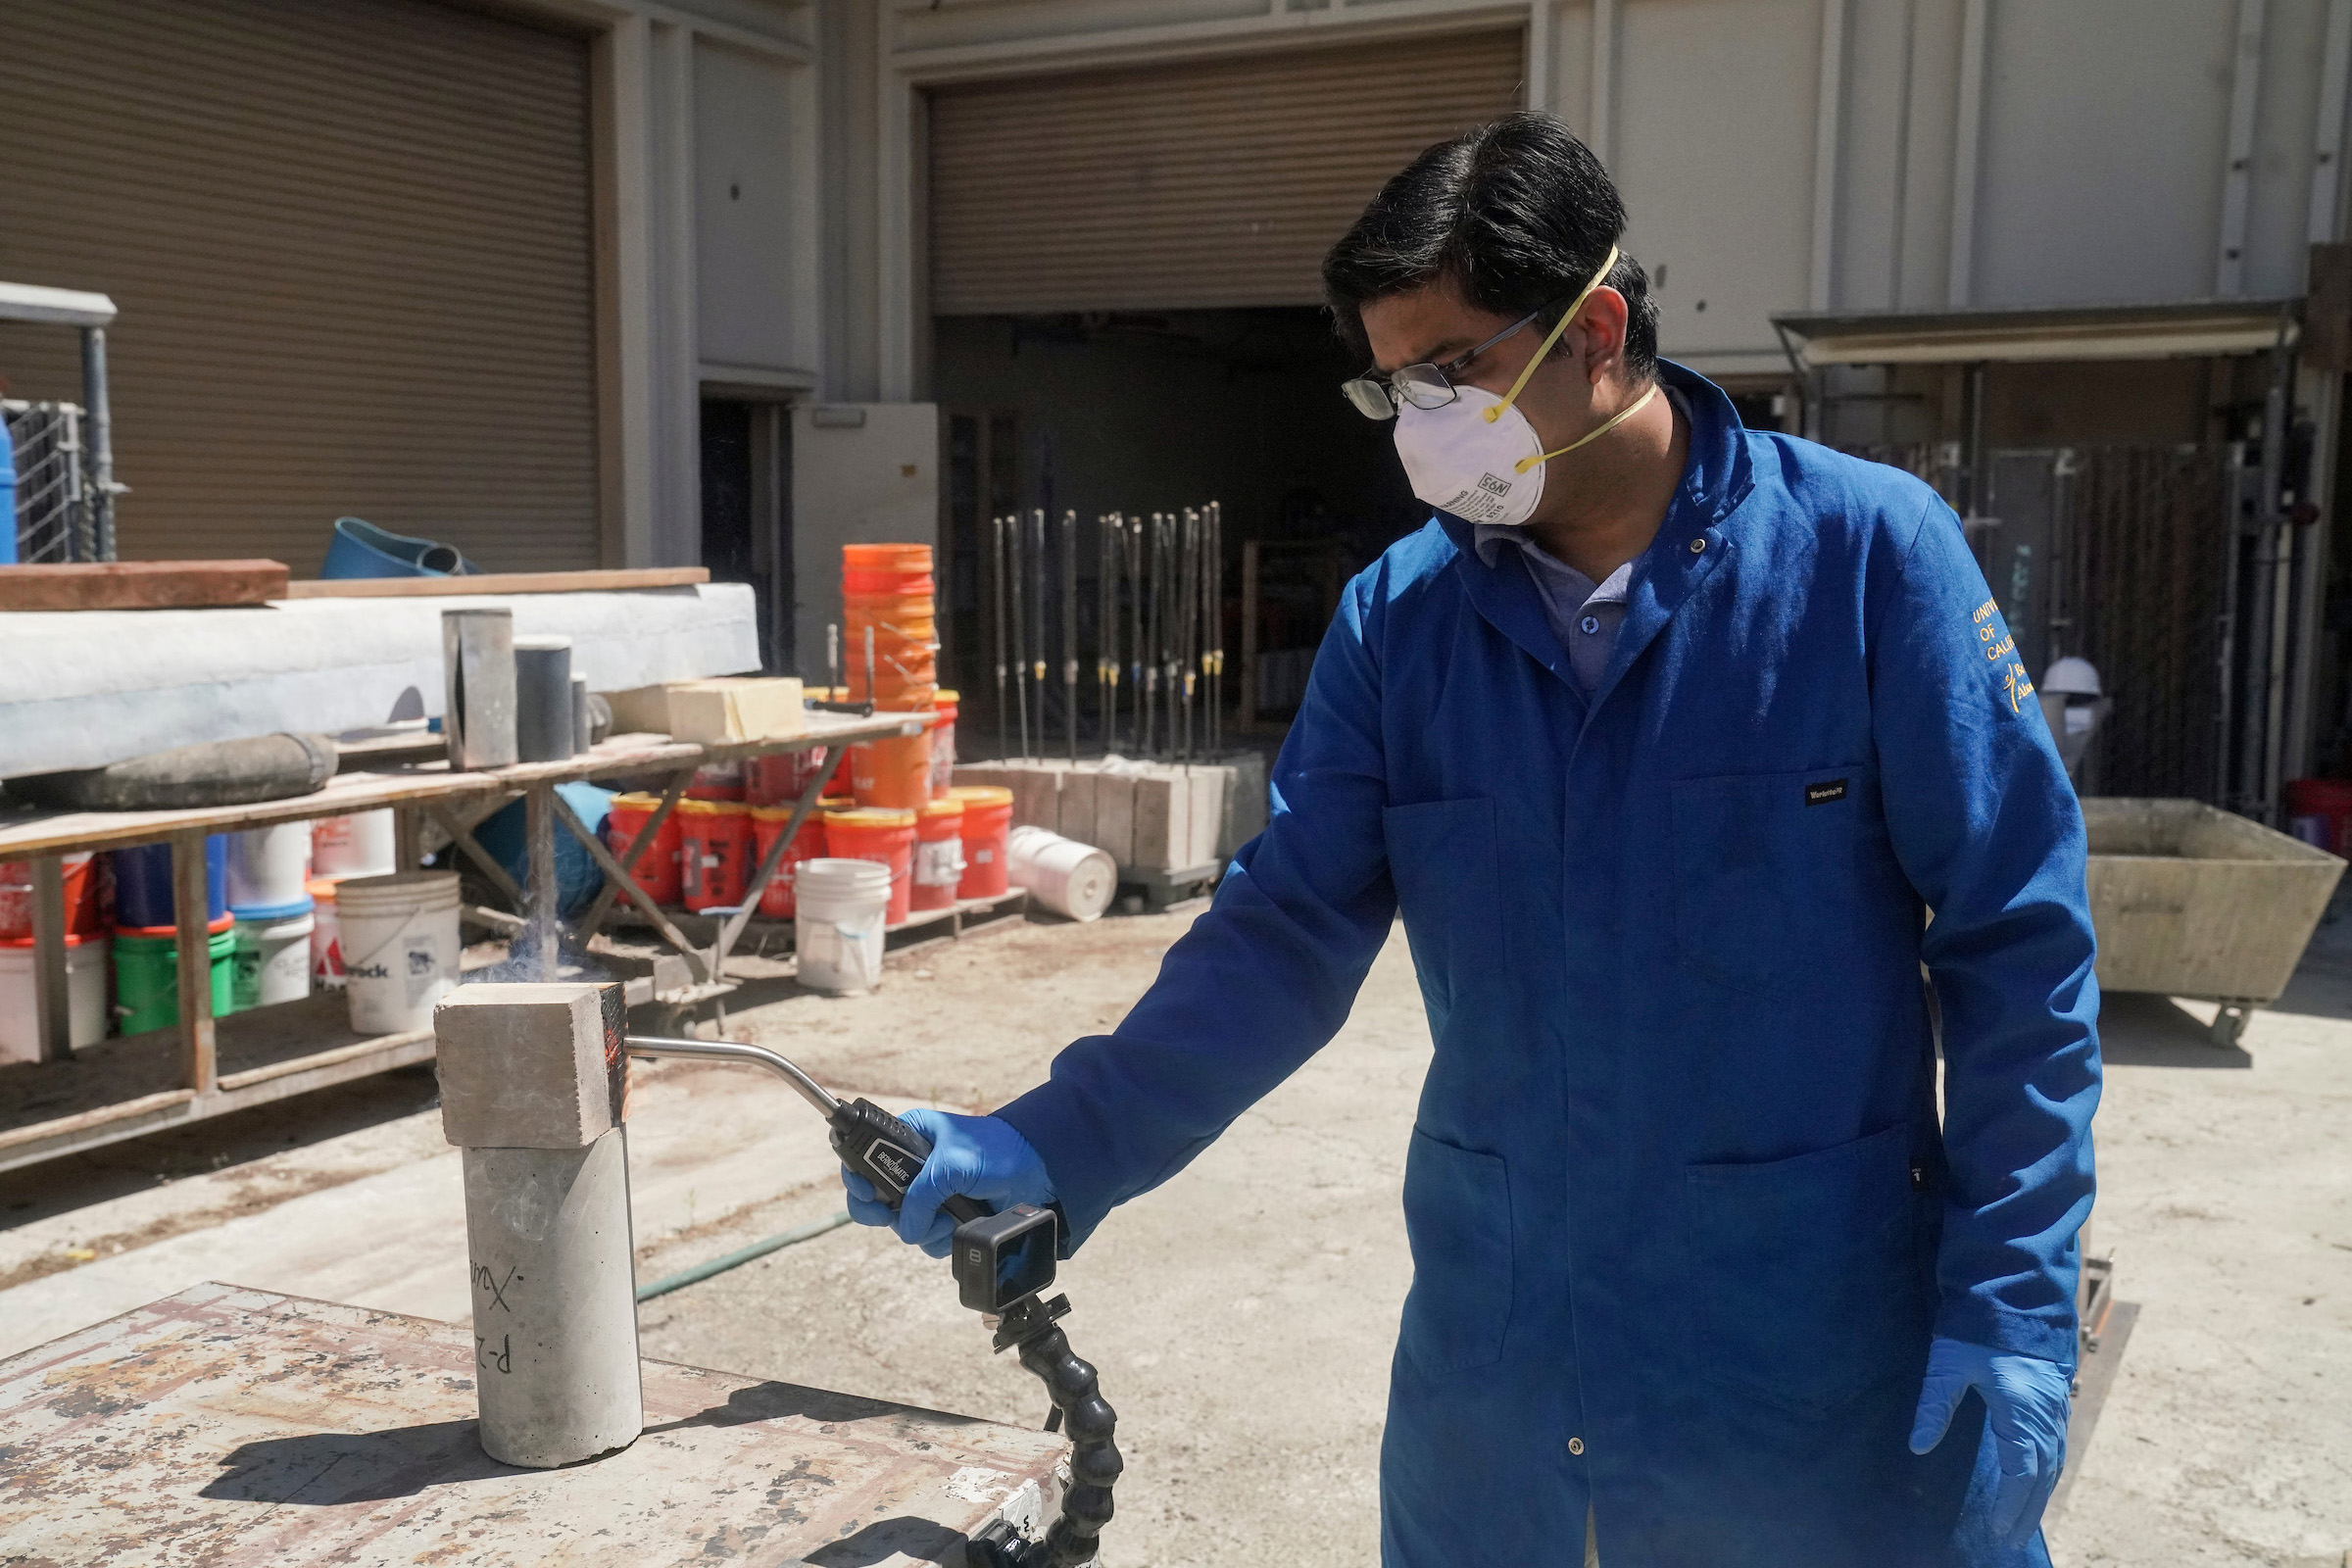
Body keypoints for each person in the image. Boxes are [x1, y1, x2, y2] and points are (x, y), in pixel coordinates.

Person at [843, 112, 2099, 1568]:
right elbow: (1284, 935)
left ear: (1600, 327)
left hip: (1802, 1354)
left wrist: (2011, 1300)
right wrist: (1056, 1141)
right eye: (1394, 391)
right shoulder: (1404, 622)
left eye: (1455, 369)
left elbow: (2017, 947)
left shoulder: (1867, 563)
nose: (1426, 420)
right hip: (1500, 1371)